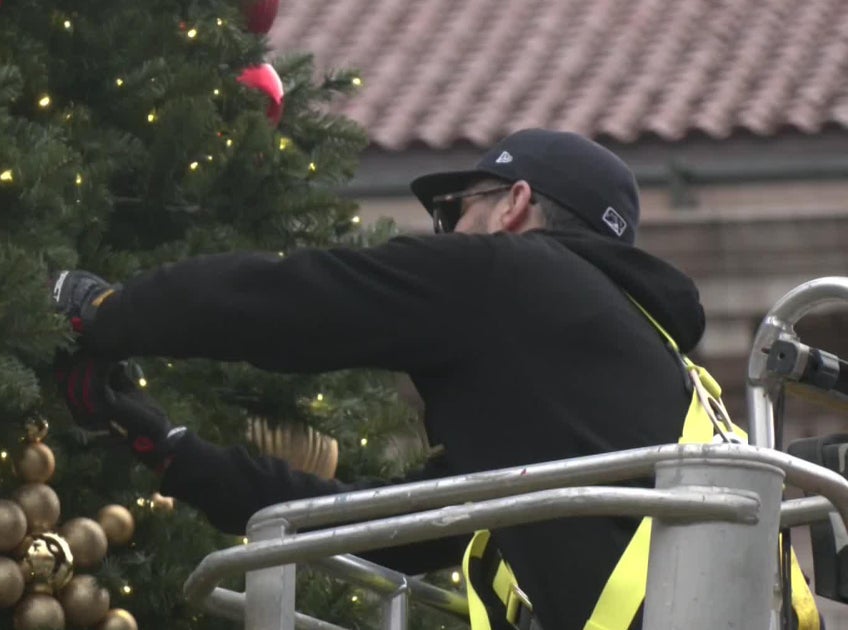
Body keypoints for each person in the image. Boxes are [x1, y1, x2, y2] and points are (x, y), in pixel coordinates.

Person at [49, 129, 817, 630]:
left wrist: (111, 315)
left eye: (454, 214)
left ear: (515, 206)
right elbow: (382, 528)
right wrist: (174, 452)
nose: (442, 237)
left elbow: (294, 302)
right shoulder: (622, 383)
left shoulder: (506, 276)